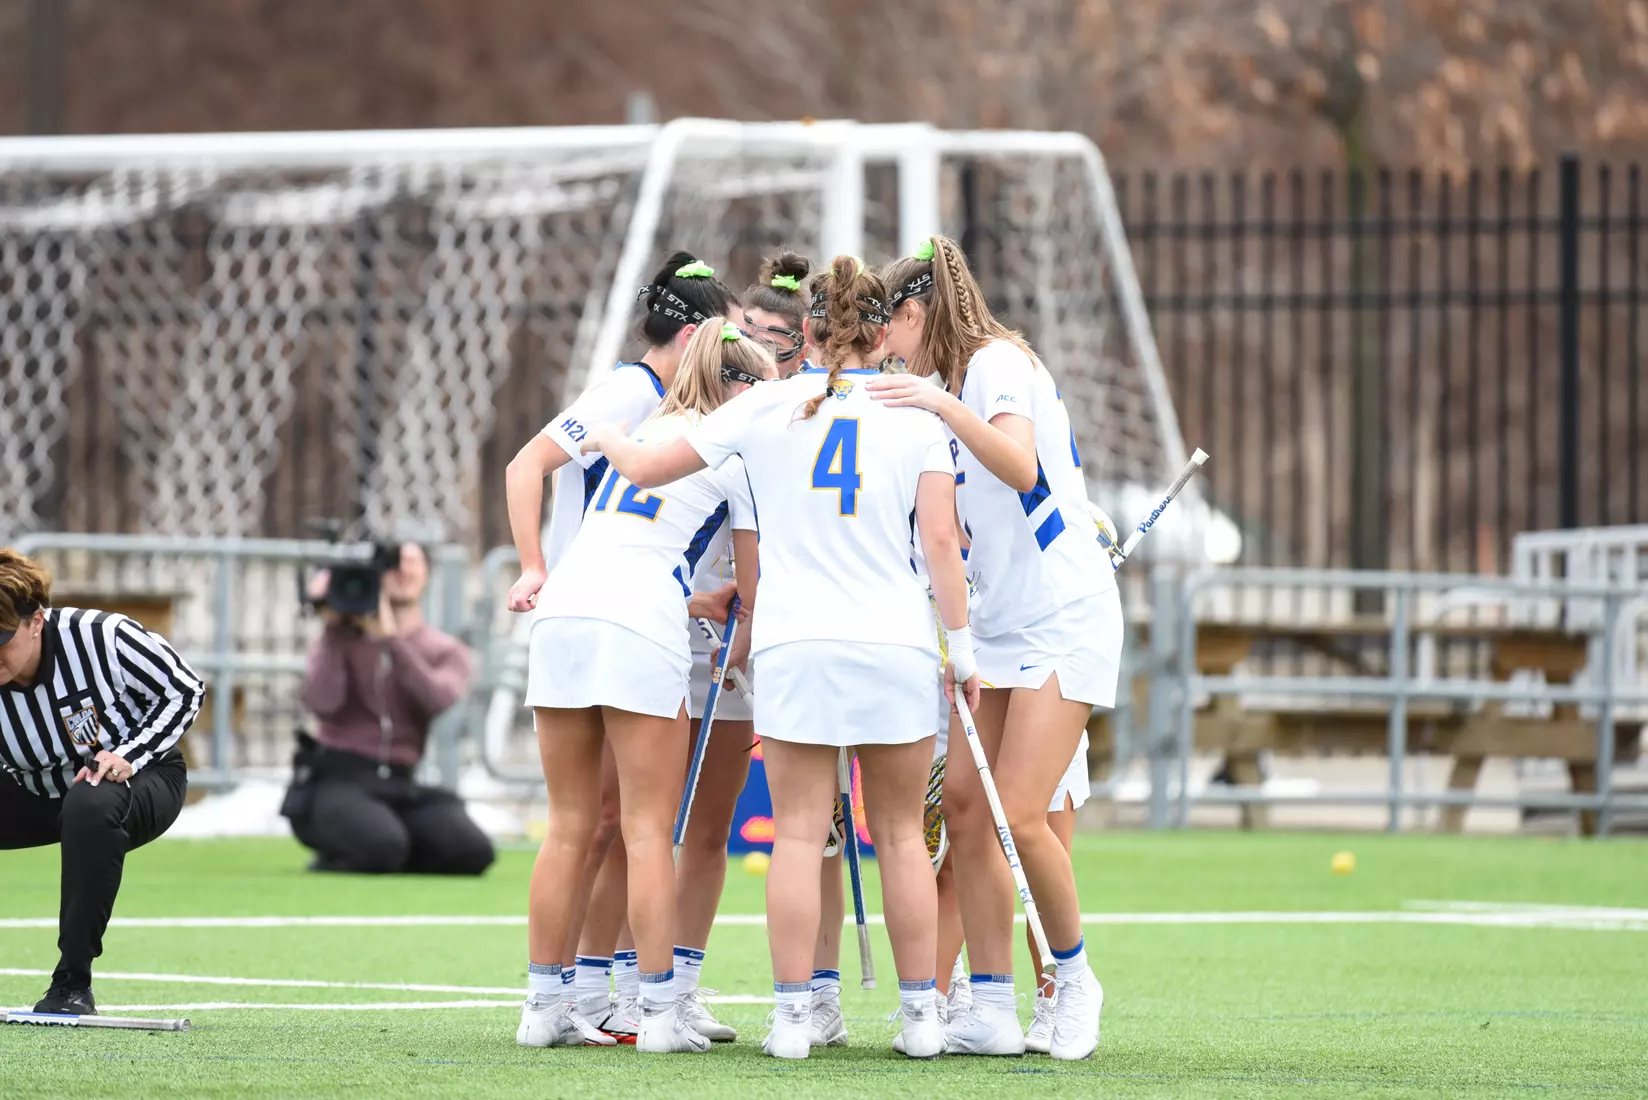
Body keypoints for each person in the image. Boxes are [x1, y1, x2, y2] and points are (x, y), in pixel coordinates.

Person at [584, 255, 980, 1061]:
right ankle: (920, 1020)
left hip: (797, 646)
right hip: (894, 643)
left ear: (805, 330)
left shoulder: (765, 404)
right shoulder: (916, 415)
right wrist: (964, 651)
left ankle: (794, 1019)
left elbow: (651, 467)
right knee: (901, 835)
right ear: (880, 333)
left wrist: (602, 431)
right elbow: (942, 544)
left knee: (798, 836)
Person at [868, 235, 1121, 1060]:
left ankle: (1076, 981)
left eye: (889, 331)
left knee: (1018, 814)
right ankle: (992, 1007)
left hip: (1063, 615)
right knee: (971, 819)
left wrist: (940, 405)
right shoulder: (952, 386)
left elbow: (1018, 463)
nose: (884, 351)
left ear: (915, 314)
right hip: (1007, 621)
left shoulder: (994, 366)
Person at [511, 318, 768, 1054]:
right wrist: (744, 638)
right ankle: (657, 1014)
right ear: (738, 389)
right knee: (650, 831)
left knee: (567, 826)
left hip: (564, 615)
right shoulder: (733, 454)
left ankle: (542, 1007)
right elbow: (752, 586)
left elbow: (625, 548)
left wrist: (698, 600)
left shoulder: (647, 420)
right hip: (640, 626)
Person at [0, 548, 203, 1015]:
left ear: (36, 621)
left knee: (89, 804)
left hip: (137, 782)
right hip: (31, 786)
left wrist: (128, 754)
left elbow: (185, 689)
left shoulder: (99, 637)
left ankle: (71, 982)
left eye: (1, 638)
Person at [289, 543, 492, 877]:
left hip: (400, 781)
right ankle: (368, 845)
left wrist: (391, 640)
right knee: (380, 845)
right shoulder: (339, 638)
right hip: (339, 777)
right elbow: (322, 703)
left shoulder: (446, 650)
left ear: (427, 574)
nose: (404, 570)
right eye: (395, 562)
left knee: (471, 851)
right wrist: (334, 626)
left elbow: (438, 700)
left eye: (414, 561)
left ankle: (389, 845)